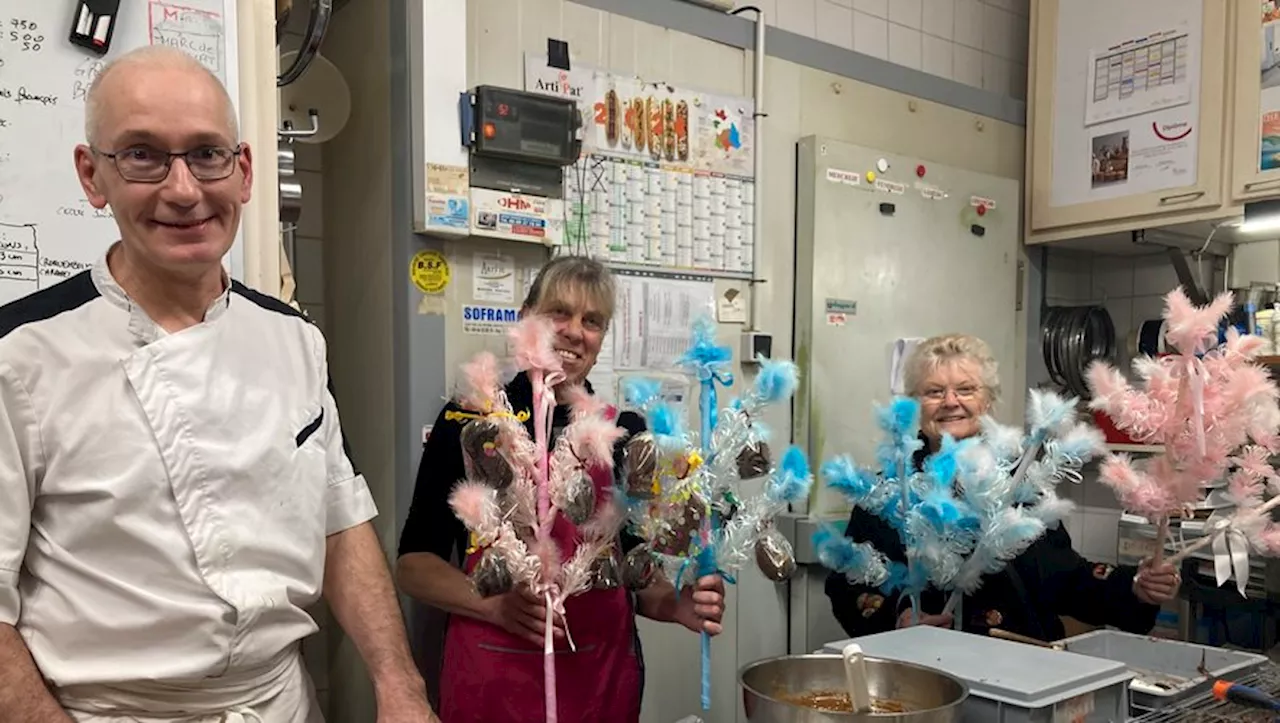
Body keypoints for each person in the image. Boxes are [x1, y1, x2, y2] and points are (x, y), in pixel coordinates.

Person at [0, 46, 437, 722]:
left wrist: (399, 683)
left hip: (278, 703)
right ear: (93, 175)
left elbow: (340, 524)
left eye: (207, 154)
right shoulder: (21, 354)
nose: (183, 190)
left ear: (245, 172)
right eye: (143, 155)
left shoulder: (294, 337)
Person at [396, 255, 726, 723]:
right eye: (560, 313)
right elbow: (413, 566)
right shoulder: (471, 423)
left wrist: (676, 604)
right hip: (494, 684)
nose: (575, 331)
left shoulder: (624, 432)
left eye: (592, 321)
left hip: (600, 683)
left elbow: (634, 573)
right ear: (525, 318)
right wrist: (492, 605)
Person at [826, 334, 1181, 642]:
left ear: (987, 402)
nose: (951, 401)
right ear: (916, 406)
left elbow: (1067, 578)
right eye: (934, 392)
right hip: (924, 678)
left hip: (1018, 676)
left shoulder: (1021, 483)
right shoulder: (890, 490)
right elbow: (848, 584)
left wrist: (1134, 587)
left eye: (966, 389)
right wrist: (897, 618)